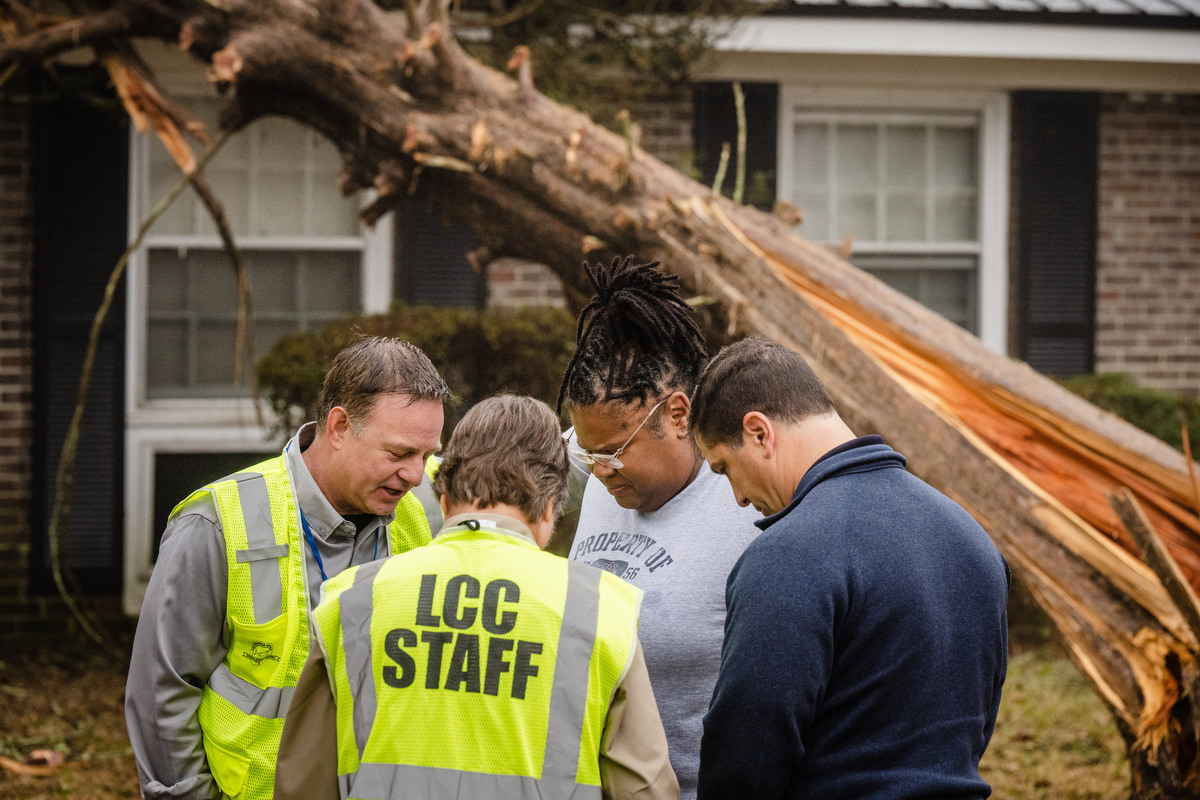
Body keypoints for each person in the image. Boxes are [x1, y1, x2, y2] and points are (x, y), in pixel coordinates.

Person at [274, 394, 679, 800]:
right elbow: (643, 789)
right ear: (549, 506)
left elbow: (302, 785)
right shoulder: (602, 609)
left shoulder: (351, 602)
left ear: (445, 498)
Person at [126, 336, 453, 800]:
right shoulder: (217, 524)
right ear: (338, 427)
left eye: (427, 455)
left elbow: (533, 474)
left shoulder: (434, 503)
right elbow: (162, 692)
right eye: (400, 454)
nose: (418, 475)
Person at [688, 336, 1011, 800]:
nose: (737, 496)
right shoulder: (973, 540)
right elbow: (976, 722)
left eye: (724, 468)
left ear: (759, 432)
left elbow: (747, 756)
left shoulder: (788, 556)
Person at [557, 256, 760, 800]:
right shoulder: (597, 462)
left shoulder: (751, 505)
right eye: (586, 452)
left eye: (614, 455)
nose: (598, 473)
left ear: (676, 414)